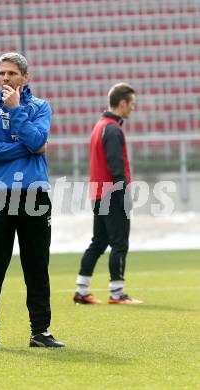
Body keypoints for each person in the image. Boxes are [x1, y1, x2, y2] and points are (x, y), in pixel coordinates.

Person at [0, 52, 65, 350]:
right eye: (1, 73)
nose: (5, 78)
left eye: (12, 73)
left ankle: (40, 331)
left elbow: (38, 142)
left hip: (33, 196)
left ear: (25, 78)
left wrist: (16, 113)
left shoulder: (40, 107)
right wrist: (29, 147)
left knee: (37, 264)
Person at [74, 83, 143, 305]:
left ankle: (82, 289)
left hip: (98, 193)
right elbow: (116, 166)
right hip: (112, 193)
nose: (133, 108)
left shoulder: (99, 126)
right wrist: (124, 193)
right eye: (132, 104)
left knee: (99, 241)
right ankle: (117, 293)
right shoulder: (113, 129)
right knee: (120, 242)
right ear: (122, 103)